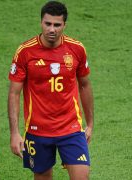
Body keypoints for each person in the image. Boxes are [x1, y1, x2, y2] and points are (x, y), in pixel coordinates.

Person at [8, 1, 94, 180]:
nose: (52, 29)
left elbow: (85, 84)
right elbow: (14, 93)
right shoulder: (25, 52)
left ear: (64, 25)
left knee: (82, 177)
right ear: (41, 23)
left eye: (57, 25)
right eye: (48, 24)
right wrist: (15, 133)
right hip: (38, 129)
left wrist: (90, 123)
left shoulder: (76, 49)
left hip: (70, 127)